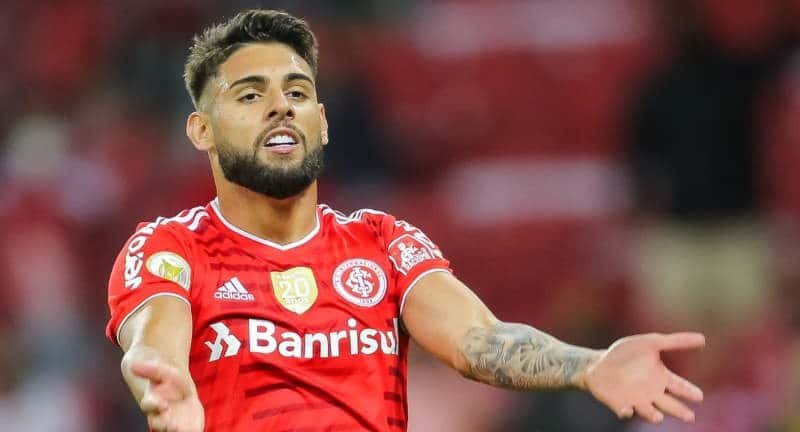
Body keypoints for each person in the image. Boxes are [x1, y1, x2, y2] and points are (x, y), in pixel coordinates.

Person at [106, 9, 706, 432]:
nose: (280, 107)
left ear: (323, 122)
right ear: (202, 131)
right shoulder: (172, 247)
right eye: (250, 95)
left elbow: (479, 341)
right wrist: (164, 383)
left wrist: (589, 365)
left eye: (297, 91)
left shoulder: (382, 242)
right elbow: (154, 341)